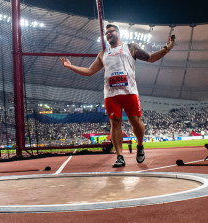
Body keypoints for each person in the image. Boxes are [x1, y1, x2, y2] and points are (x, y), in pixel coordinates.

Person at [60, 24, 175, 167]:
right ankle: (119, 156)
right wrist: (70, 66)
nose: (108, 34)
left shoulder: (130, 47)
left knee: (136, 123)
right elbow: (89, 71)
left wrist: (166, 49)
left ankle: (140, 145)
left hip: (129, 92)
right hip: (111, 95)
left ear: (118, 33)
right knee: (115, 124)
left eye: (111, 32)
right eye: (106, 33)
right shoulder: (103, 54)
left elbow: (150, 58)